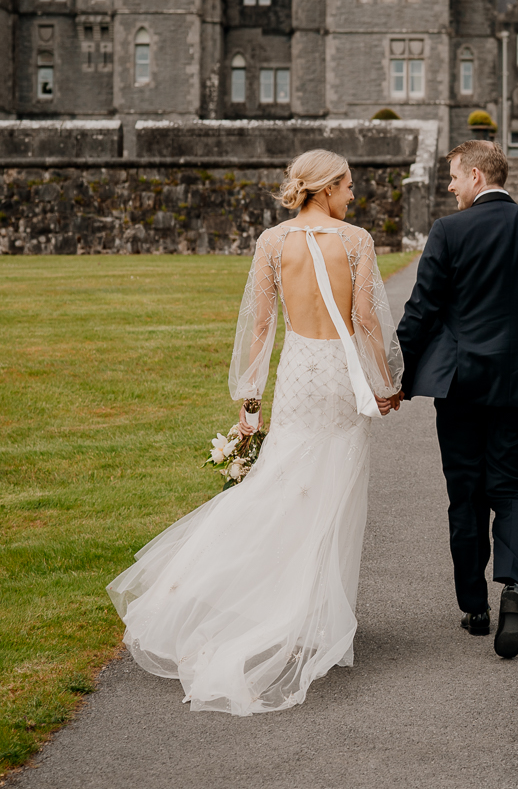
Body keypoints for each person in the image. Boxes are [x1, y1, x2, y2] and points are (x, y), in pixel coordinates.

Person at [107, 150, 404, 715]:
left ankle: (245, 595)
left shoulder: (272, 242)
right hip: (338, 376)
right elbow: (366, 318)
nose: (352, 196)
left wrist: (250, 398)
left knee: (284, 478)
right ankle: (312, 614)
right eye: (347, 186)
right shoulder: (356, 241)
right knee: (332, 487)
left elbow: (260, 323)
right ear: (326, 188)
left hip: (296, 372)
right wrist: (386, 381)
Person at [396, 140, 518, 661]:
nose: (449, 185)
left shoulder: (449, 231)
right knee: (516, 488)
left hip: (460, 385)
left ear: (476, 176)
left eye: (453, 176)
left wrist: (400, 377)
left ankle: (474, 606)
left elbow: (422, 310)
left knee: (466, 492)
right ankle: (513, 589)